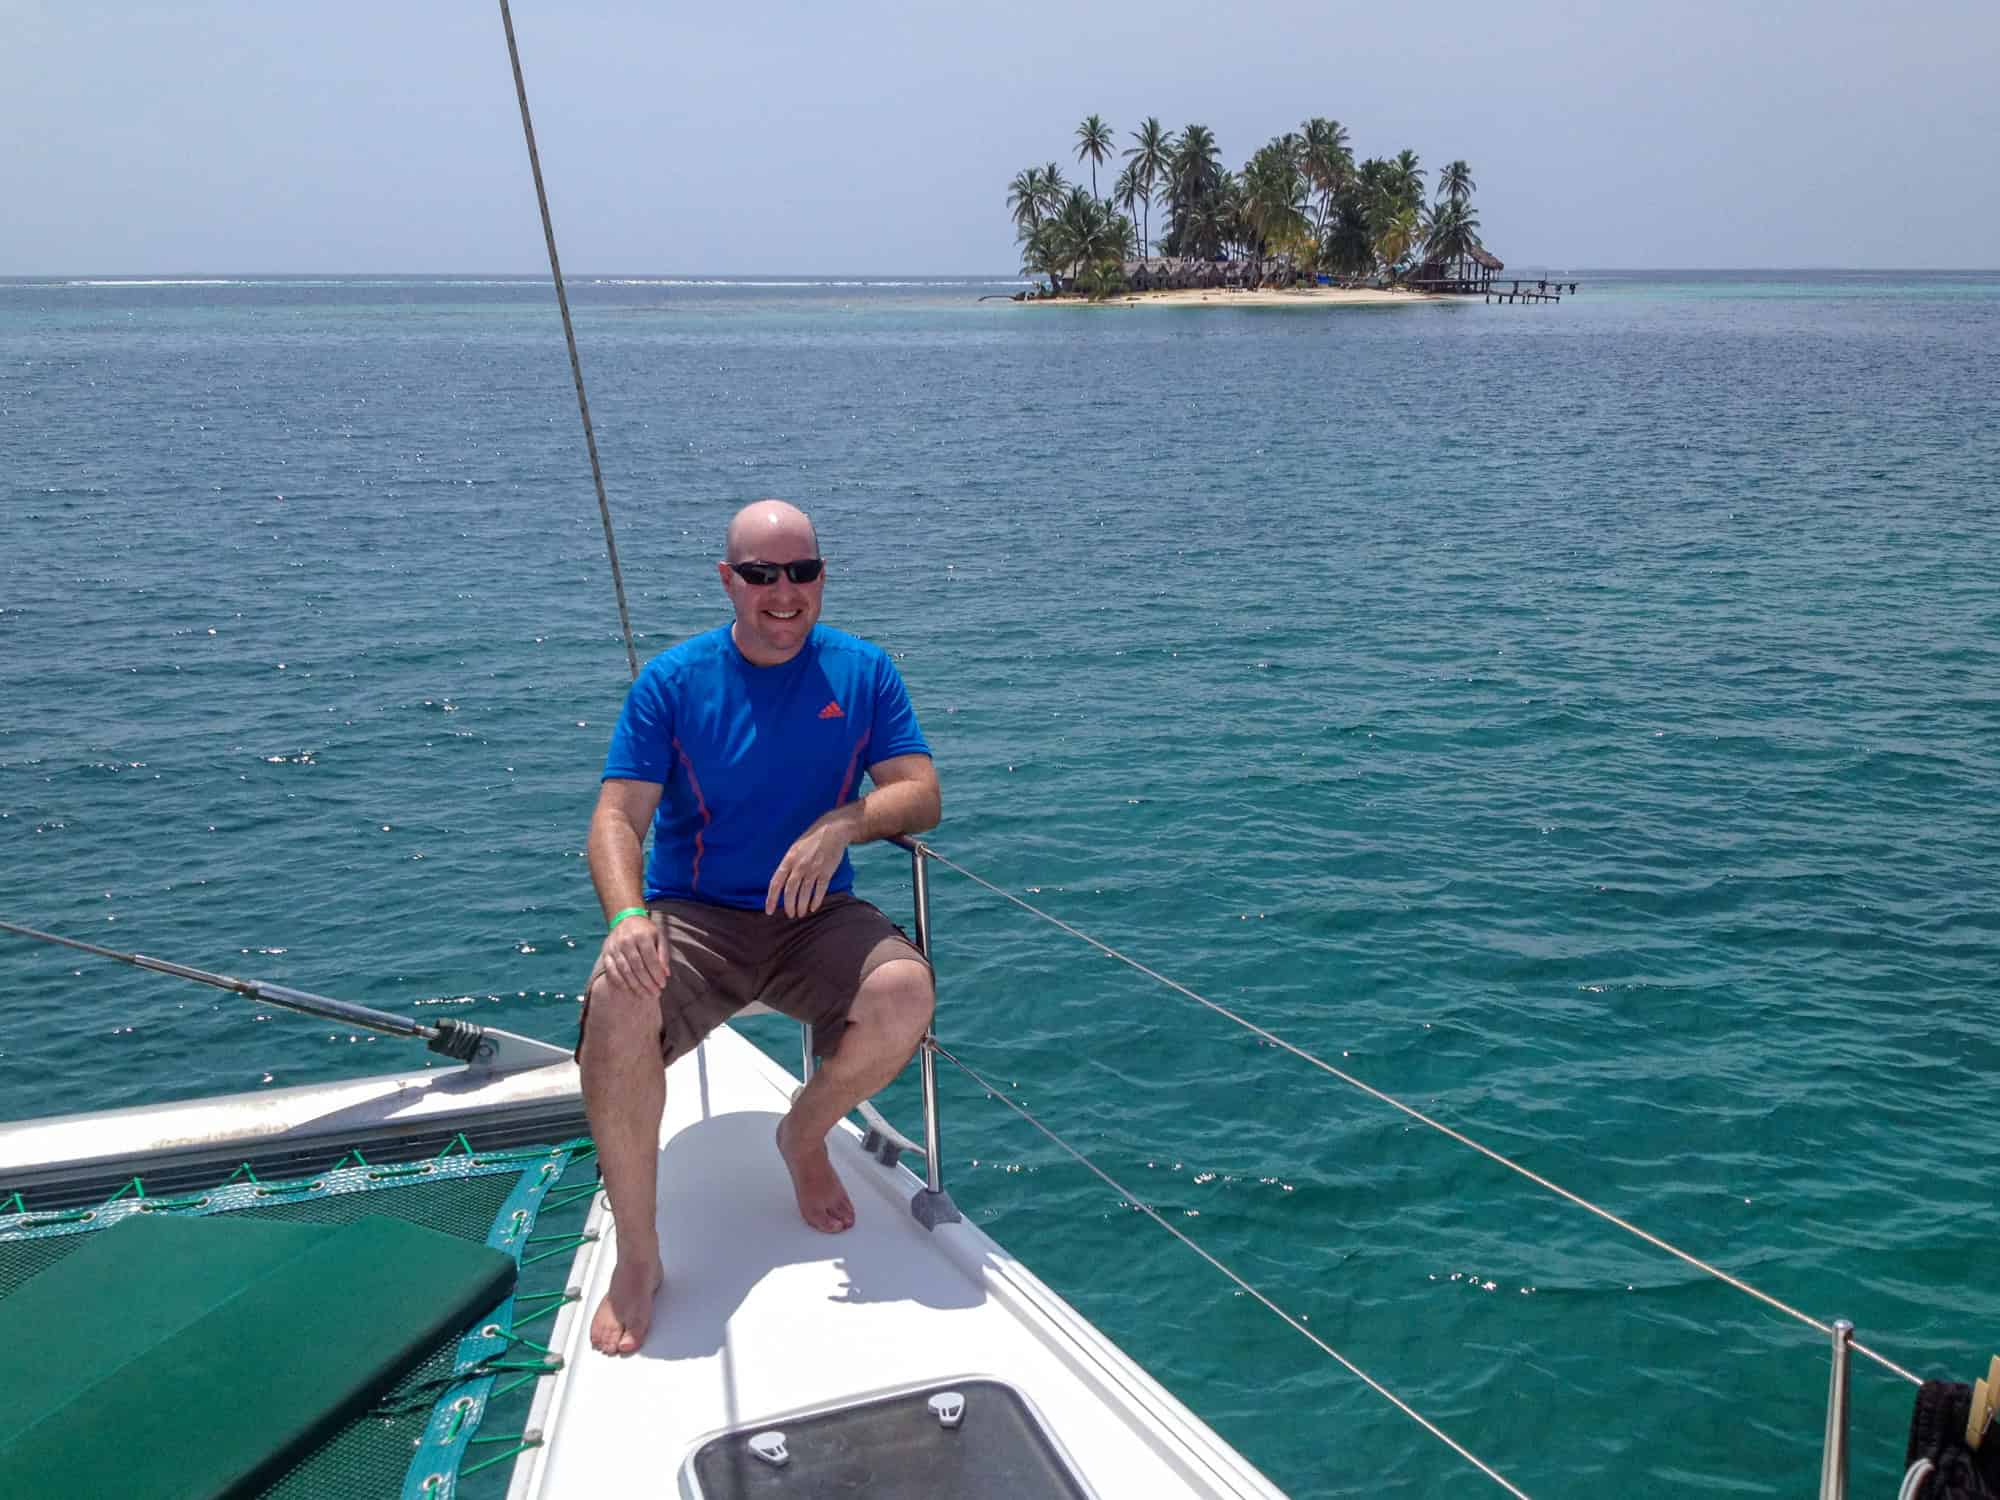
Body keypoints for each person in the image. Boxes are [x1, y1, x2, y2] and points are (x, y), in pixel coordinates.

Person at [579, 498, 941, 1356]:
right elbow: (616, 817)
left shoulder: (862, 671)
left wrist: (843, 823)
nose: (784, 593)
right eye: (761, 575)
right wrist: (628, 916)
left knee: (904, 990)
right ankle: (640, 1255)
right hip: (695, 915)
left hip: (815, 916)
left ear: (822, 576)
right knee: (616, 1005)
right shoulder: (673, 681)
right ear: (728, 581)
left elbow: (921, 792)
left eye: (802, 572)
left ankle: (804, 1131)